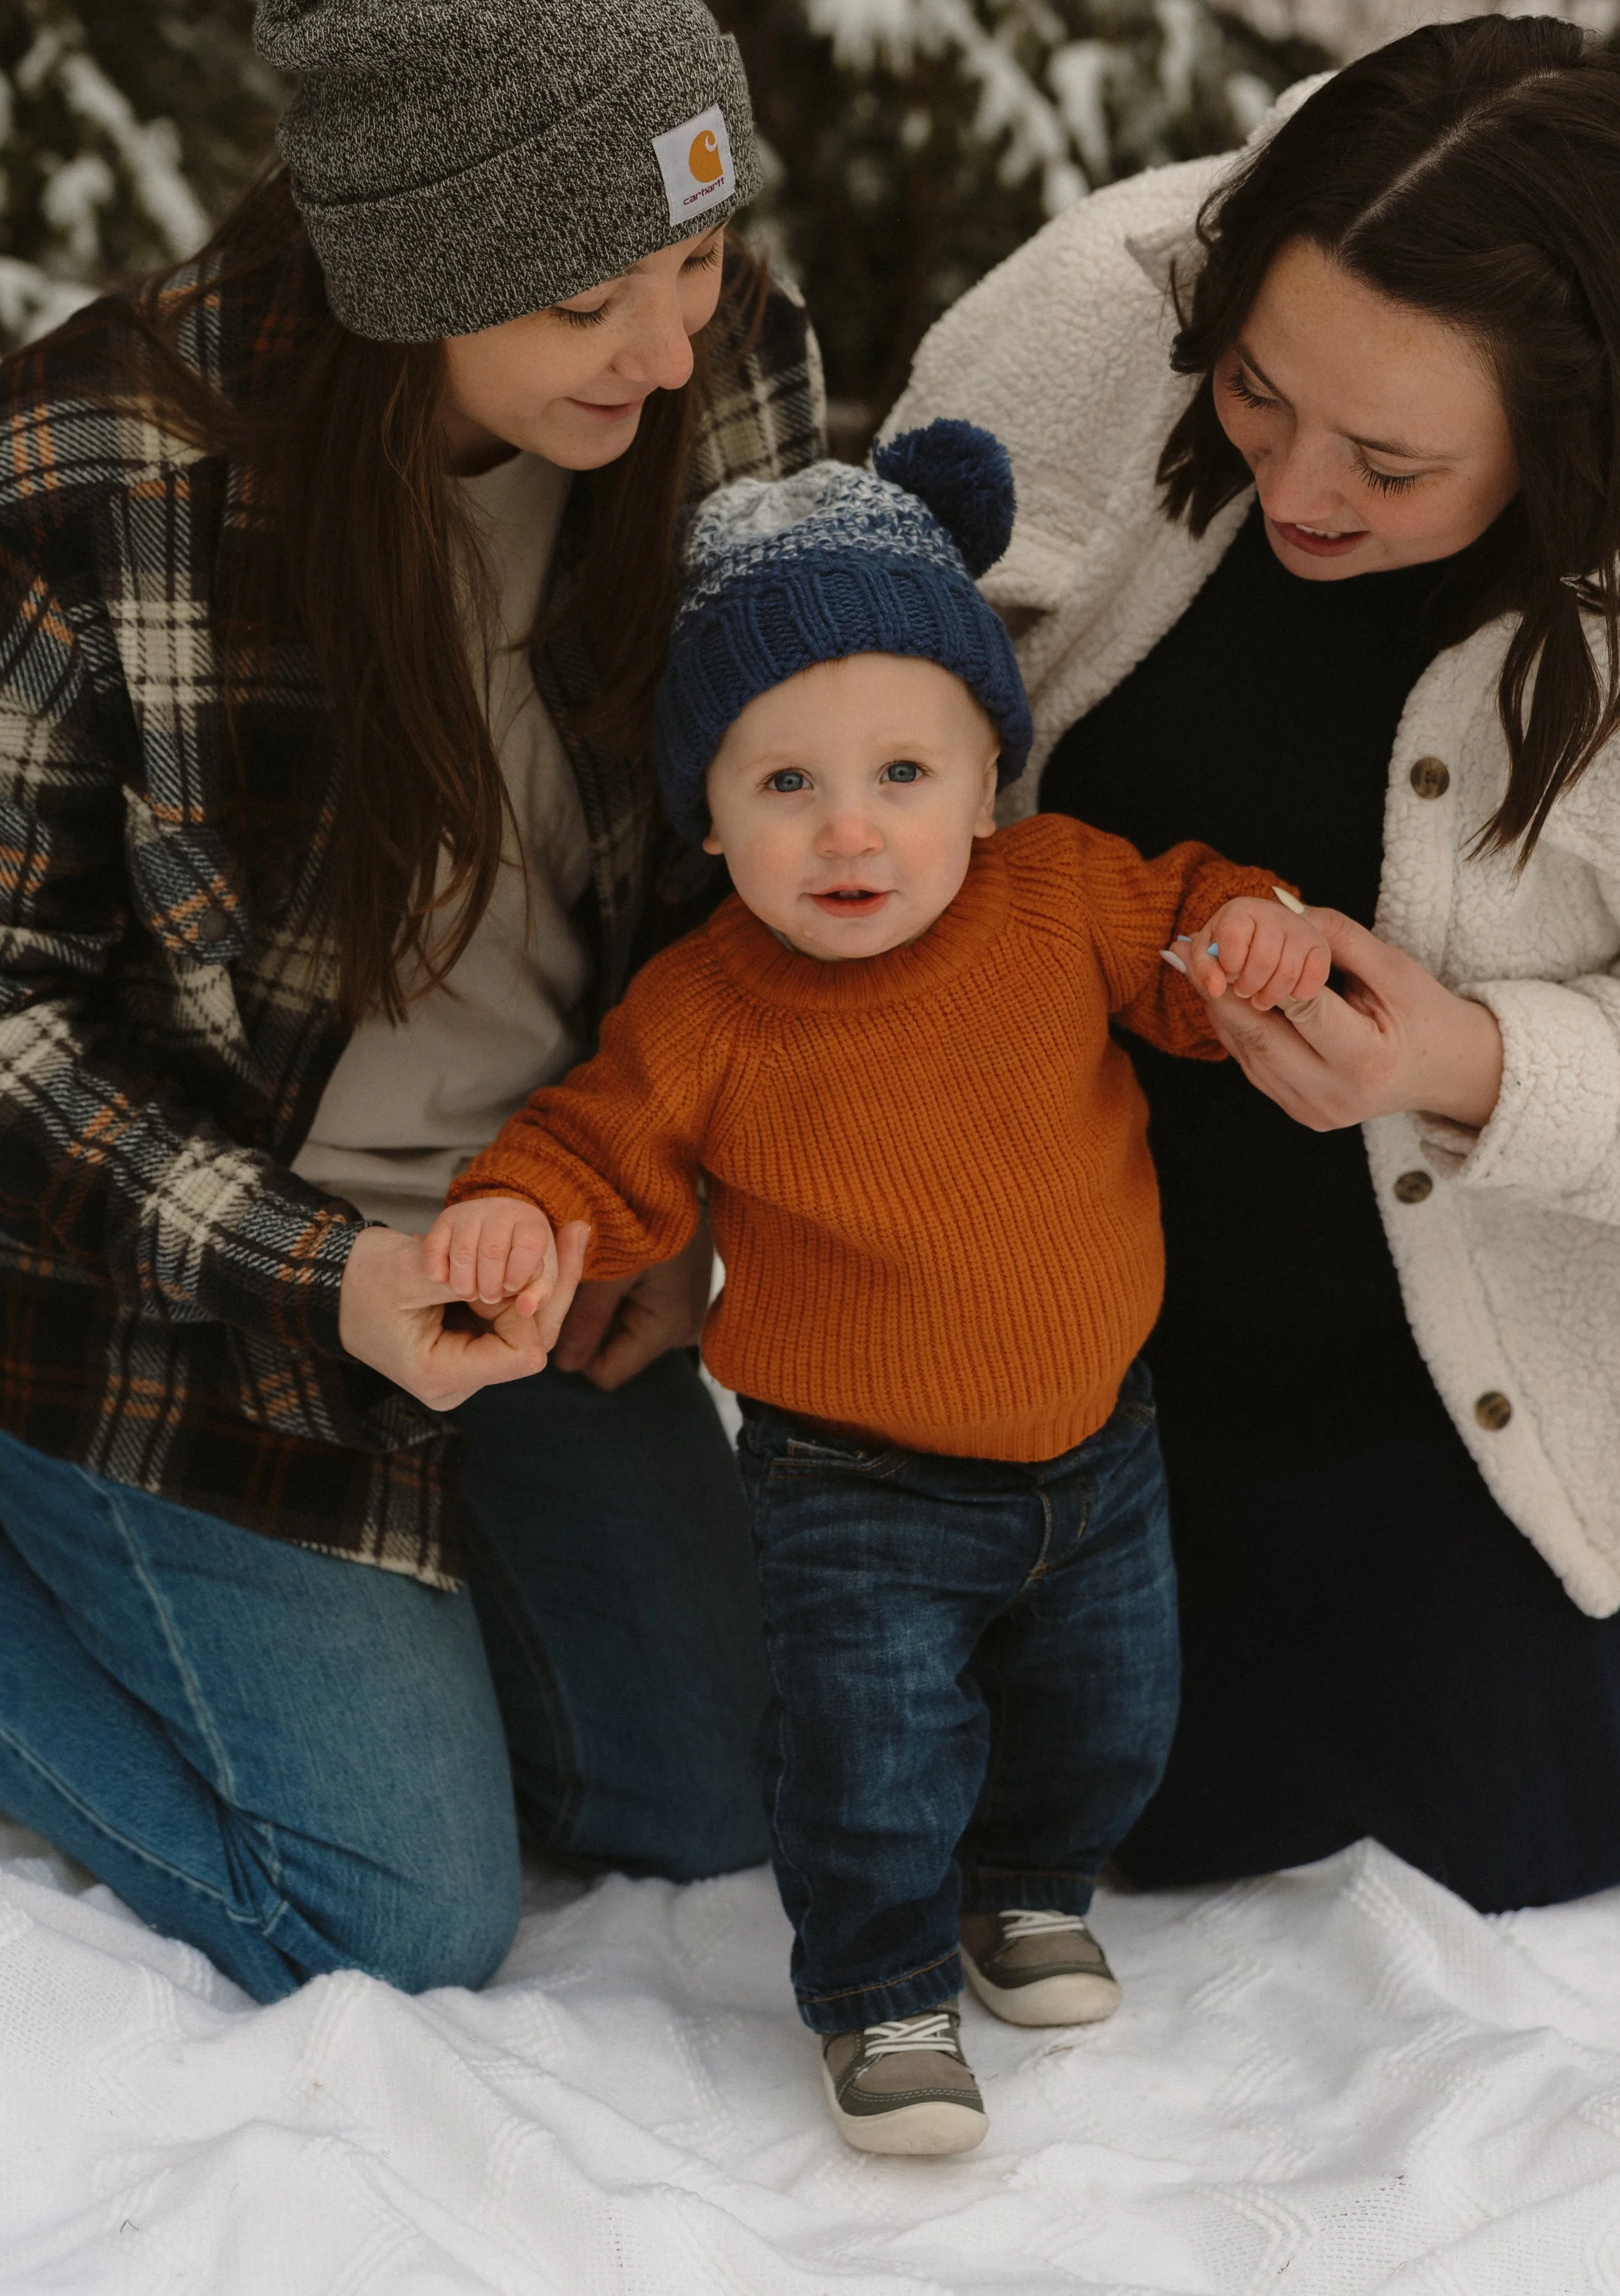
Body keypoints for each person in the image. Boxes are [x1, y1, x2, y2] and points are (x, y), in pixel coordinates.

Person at [0, 0, 826, 2001]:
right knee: (386, 1913)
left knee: (722, 1784)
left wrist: (662, 1205)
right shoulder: (82, 480)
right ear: (404, 270)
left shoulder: (724, 385)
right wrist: (319, 1273)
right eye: (579, 297)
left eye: (693, 255)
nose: (662, 350)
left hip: (526, 1230)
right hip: (150, 1269)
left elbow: (763, 866)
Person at [885, 13, 1620, 1930]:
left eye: (1392, 460)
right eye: (1258, 394)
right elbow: (826, 691)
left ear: (1574, 434)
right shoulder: (1097, 304)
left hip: (1496, 1405)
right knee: (958, 1805)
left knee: (1461, 1916)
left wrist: (1474, 1059)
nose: (1298, 486)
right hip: (1052, 1337)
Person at [411, 419, 1329, 2153]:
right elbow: (592, 1148)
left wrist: (1250, 931)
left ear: (986, 779)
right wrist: (519, 1219)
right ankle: (881, 1990)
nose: (851, 831)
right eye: (784, 786)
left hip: (1096, 1440)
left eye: (903, 776)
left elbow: (1194, 941)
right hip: (858, 1482)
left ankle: (1032, 1887)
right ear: (710, 817)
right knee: (871, 1757)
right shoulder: (709, 1009)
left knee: (1108, 1712)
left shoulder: (1060, 897)